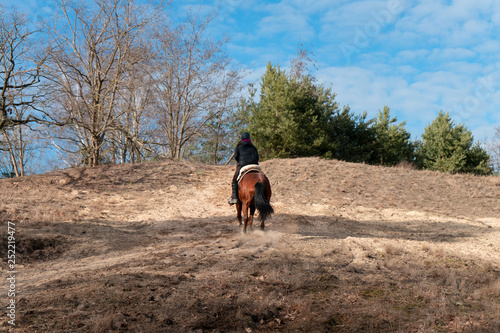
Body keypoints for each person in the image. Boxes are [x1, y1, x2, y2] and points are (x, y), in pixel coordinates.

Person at [228, 132, 259, 205]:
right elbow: (257, 157)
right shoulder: (253, 147)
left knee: (234, 180)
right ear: (249, 138)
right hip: (254, 164)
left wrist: (240, 161)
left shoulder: (239, 146)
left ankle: (235, 198)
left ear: (242, 138)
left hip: (243, 165)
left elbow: (236, 156)